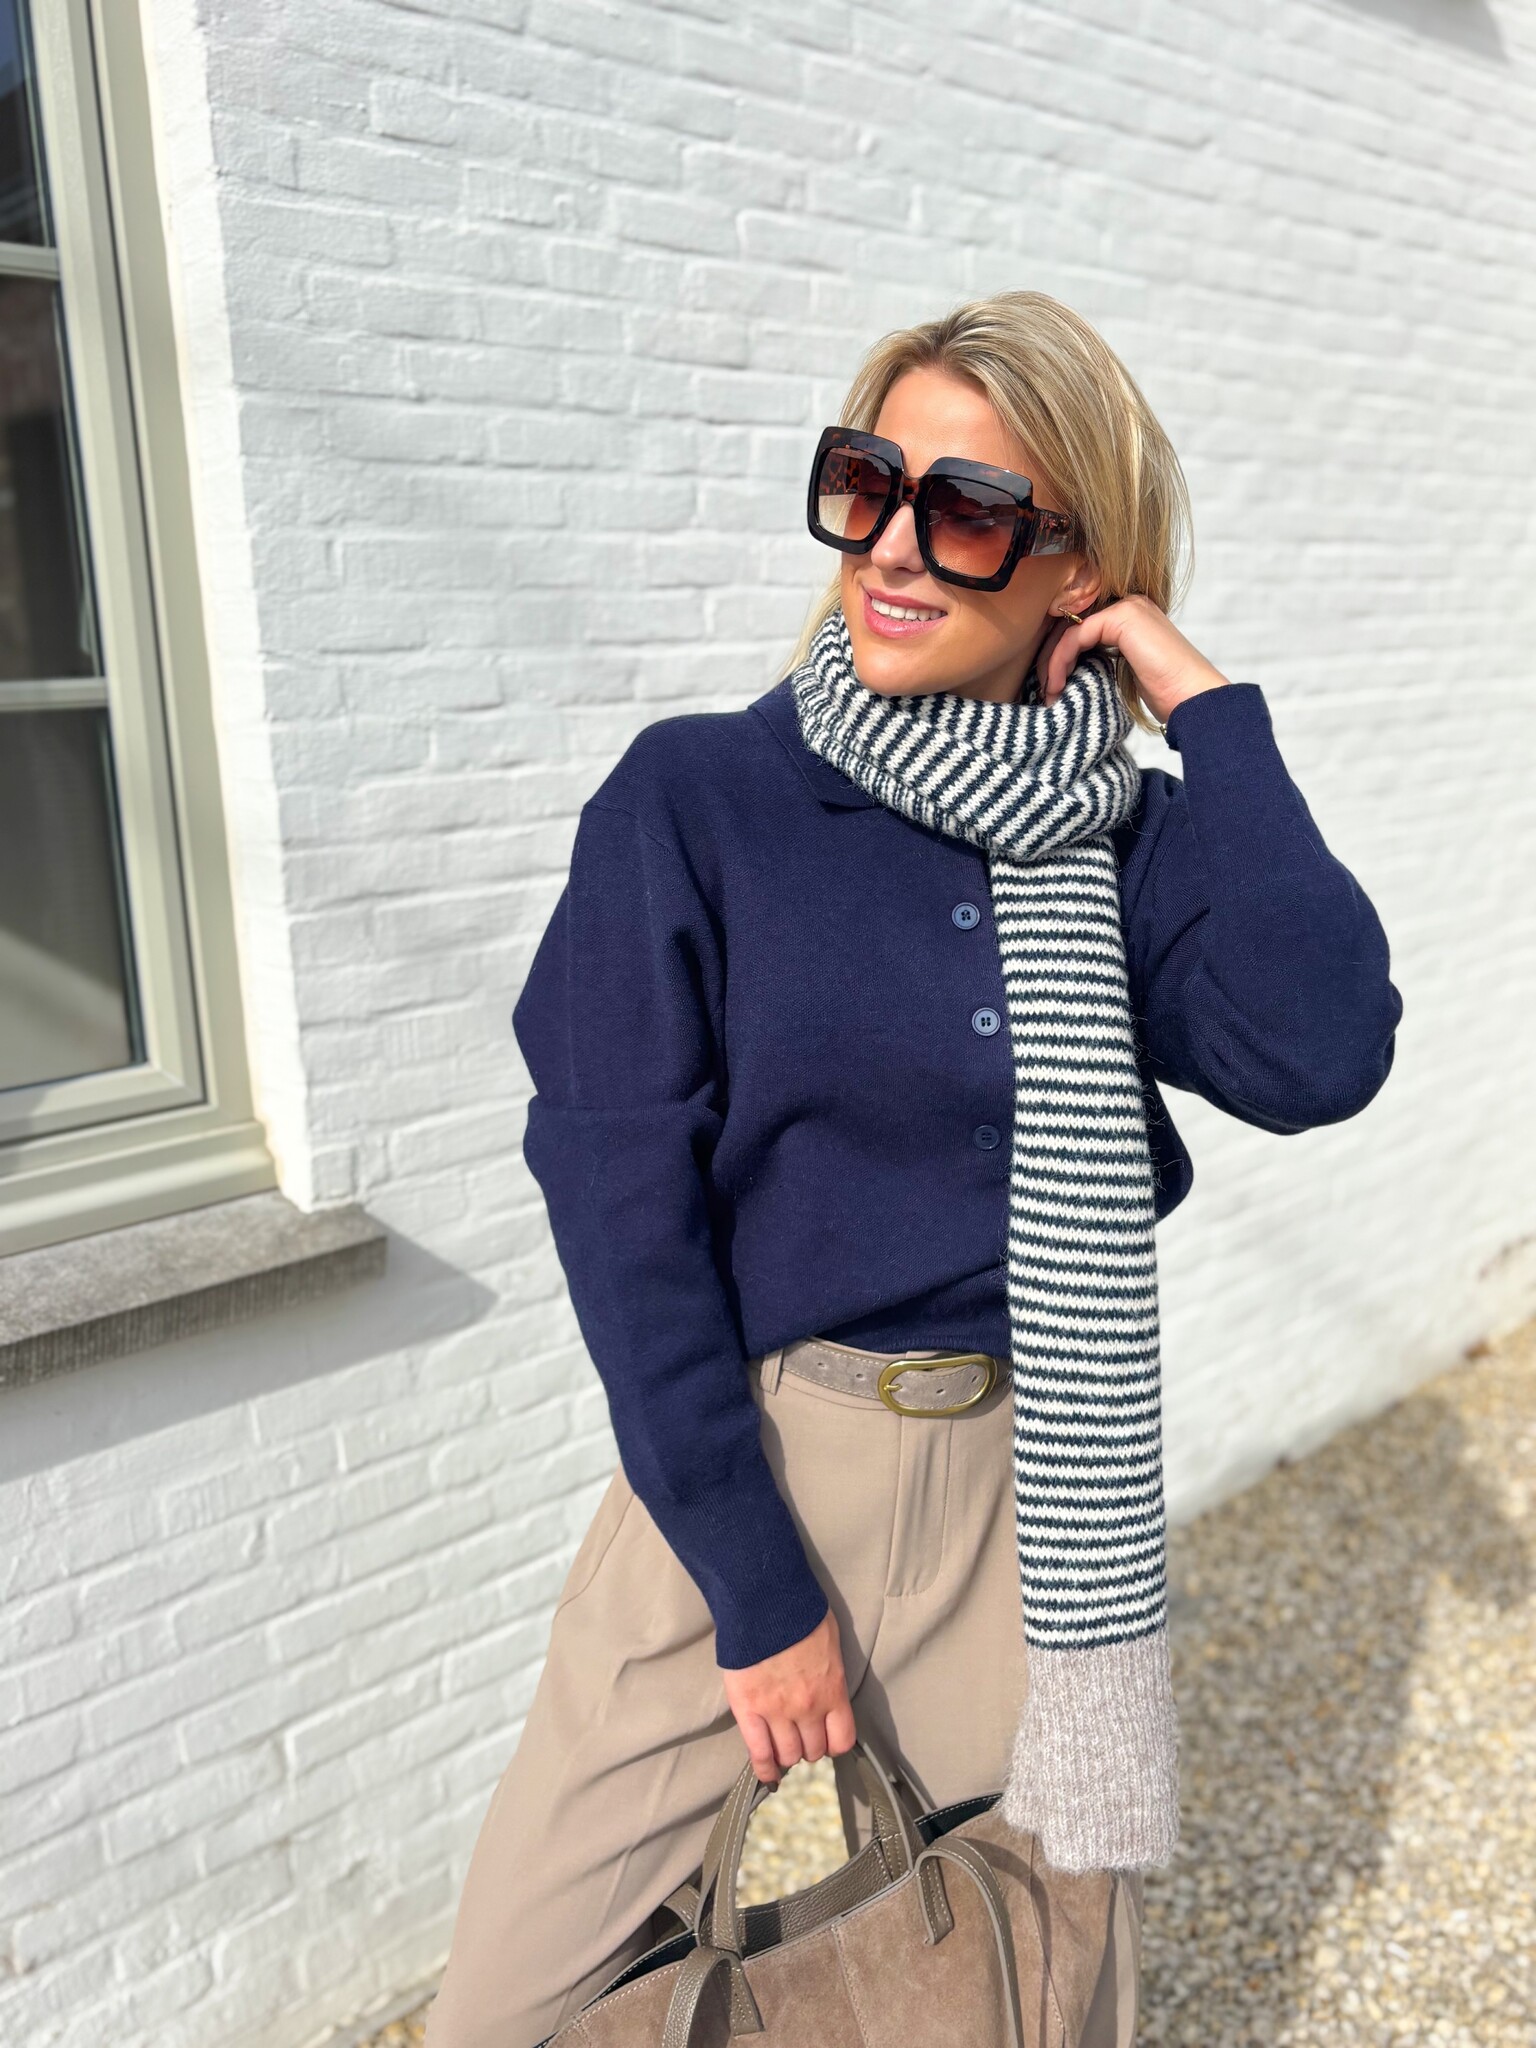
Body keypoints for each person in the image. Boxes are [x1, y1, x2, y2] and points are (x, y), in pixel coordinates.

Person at [423, 290, 1401, 2048]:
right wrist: (758, 1591)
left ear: (1077, 568)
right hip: (751, 1465)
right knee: (517, 2001)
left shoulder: (1122, 836)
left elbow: (1322, 1050)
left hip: (1037, 1493)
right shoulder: (698, 802)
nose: (890, 546)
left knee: (1040, 1987)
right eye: (866, 484)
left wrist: (1210, 708)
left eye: (968, 512)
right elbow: (622, 1209)